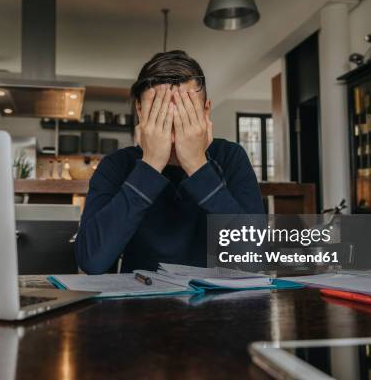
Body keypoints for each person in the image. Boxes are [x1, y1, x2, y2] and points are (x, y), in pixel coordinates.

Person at [75, 50, 264, 274]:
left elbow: (256, 257)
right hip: (138, 303)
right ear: (140, 111)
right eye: (159, 111)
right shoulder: (116, 166)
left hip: (216, 302)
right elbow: (91, 261)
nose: (172, 124)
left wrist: (197, 165)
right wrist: (150, 165)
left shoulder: (231, 157)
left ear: (206, 111)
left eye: (186, 112)